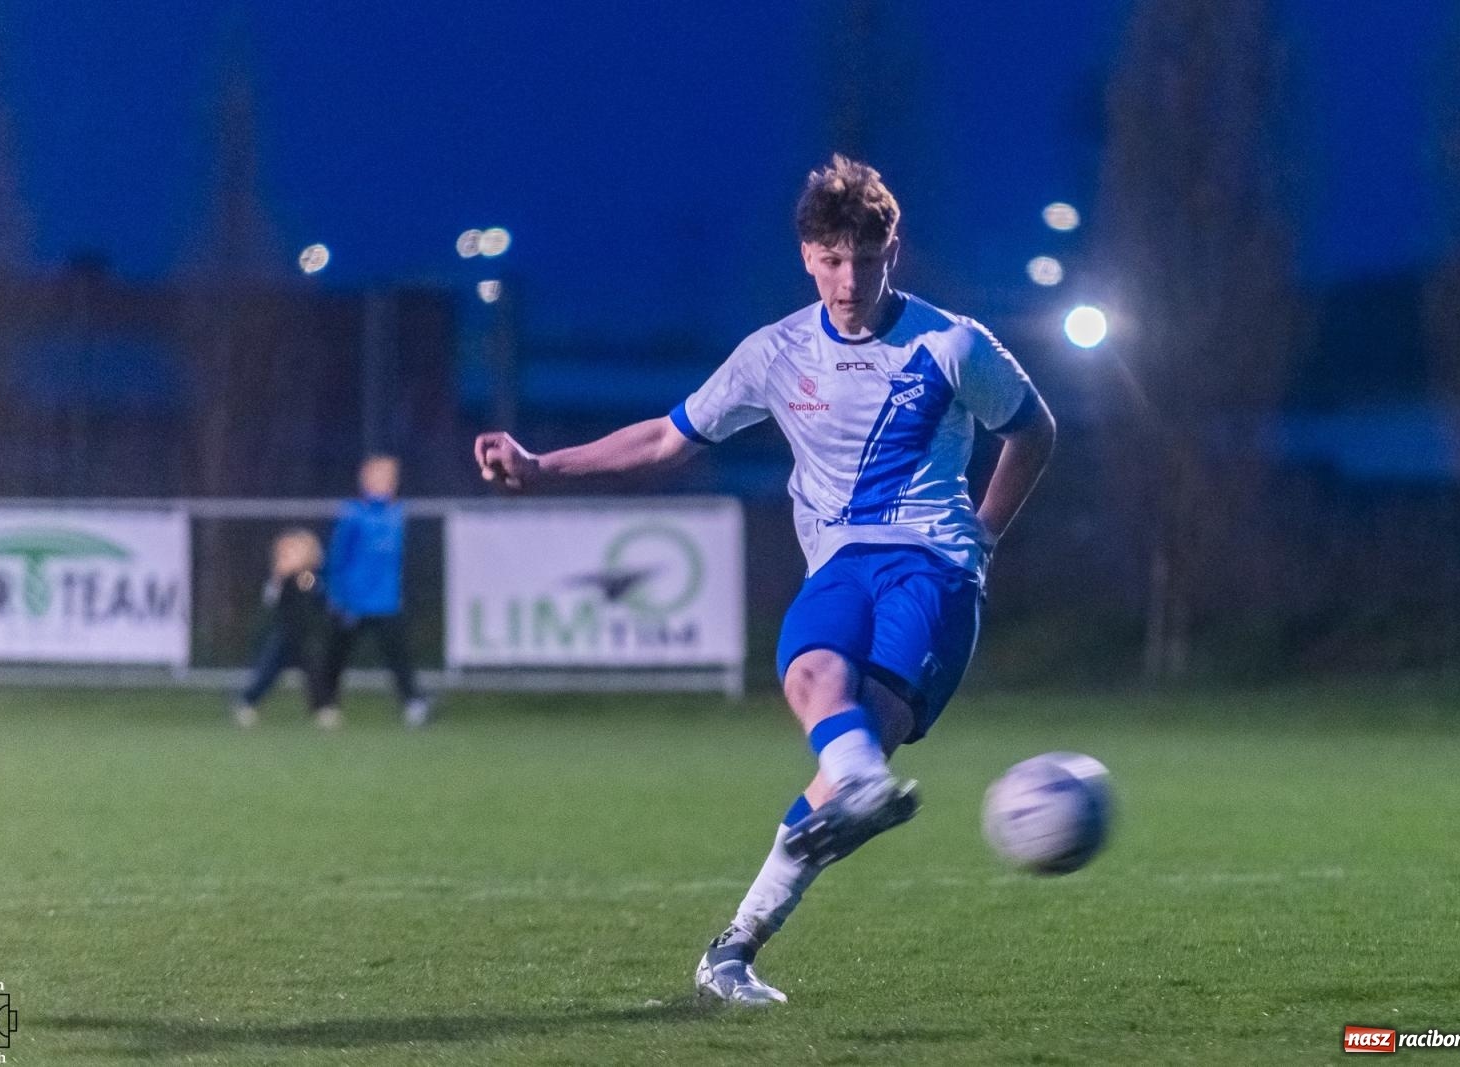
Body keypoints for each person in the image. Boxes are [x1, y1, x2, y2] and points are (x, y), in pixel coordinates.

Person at [472, 155, 1056, 1005]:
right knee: (817, 686)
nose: (847, 278)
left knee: (853, 757)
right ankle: (734, 950)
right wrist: (541, 467)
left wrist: (987, 532)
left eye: (864, 258)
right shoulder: (776, 353)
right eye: (830, 258)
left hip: (934, 568)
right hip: (844, 562)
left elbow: (1034, 430)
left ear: (893, 252)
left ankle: (744, 933)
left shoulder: (954, 343)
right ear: (807, 258)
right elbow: (667, 439)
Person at [323, 454, 431, 728]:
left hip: (386, 601)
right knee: (337, 655)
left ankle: (413, 703)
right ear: (366, 480)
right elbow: (338, 557)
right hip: (353, 600)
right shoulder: (352, 514)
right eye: (380, 477)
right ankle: (326, 704)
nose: (387, 483)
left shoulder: (398, 513)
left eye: (391, 478)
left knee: (398, 655)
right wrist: (338, 595)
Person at [233, 528, 339, 728]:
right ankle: (247, 702)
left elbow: (314, 592)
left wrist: (301, 571)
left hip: (306, 636)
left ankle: (323, 708)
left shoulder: (308, 577)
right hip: (285, 634)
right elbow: (270, 600)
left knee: (315, 673)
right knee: (267, 670)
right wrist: (279, 577)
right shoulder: (281, 580)